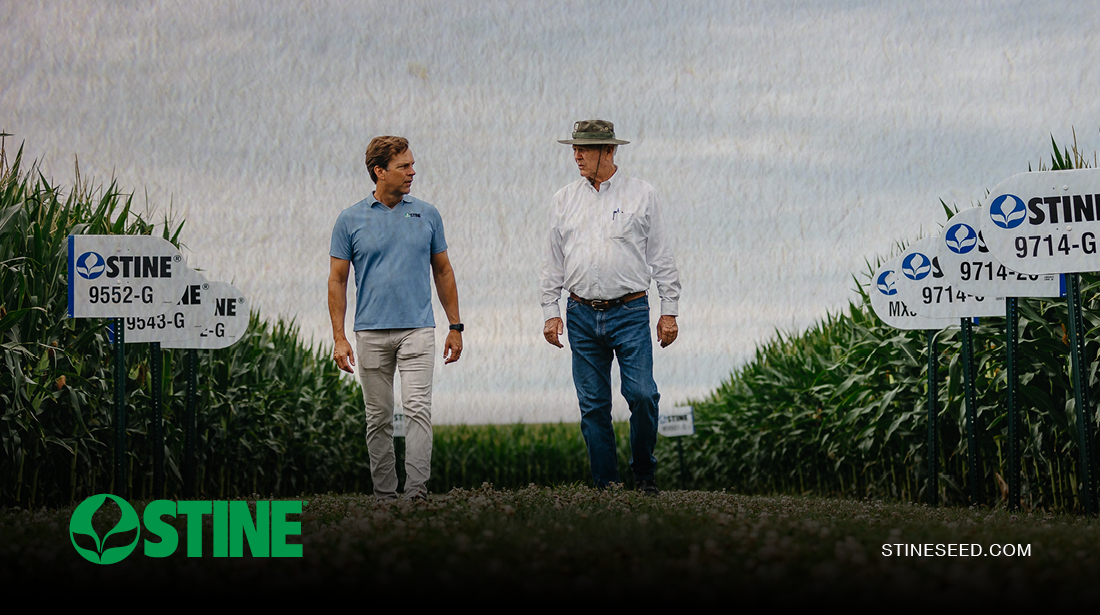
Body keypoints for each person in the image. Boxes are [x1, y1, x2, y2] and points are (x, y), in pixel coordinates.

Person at [539, 119, 681, 495]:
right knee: (593, 407)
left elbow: (661, 255)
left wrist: (670, 310)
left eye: (584, 148)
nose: (577, 155)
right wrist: (550, 312)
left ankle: (644, 472)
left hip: (631, 312)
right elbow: (552, 261)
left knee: (643, 395)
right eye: (574, 148)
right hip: (580, 313)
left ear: (609, 151)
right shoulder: (562, 200)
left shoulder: (642, 195)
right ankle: (607, 487)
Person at [329, 135, 463, 502]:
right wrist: (339, 337)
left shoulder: (428, 214)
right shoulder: (349, 220)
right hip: (368, 333)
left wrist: (455, 326)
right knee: (378, 417)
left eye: (411, 164)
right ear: (379, 171)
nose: (412, 171)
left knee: (419, 409)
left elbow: (444, 271)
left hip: (418, 330)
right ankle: (385, 496)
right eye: (403, 166)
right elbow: (337, 279)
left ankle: (416, 492)